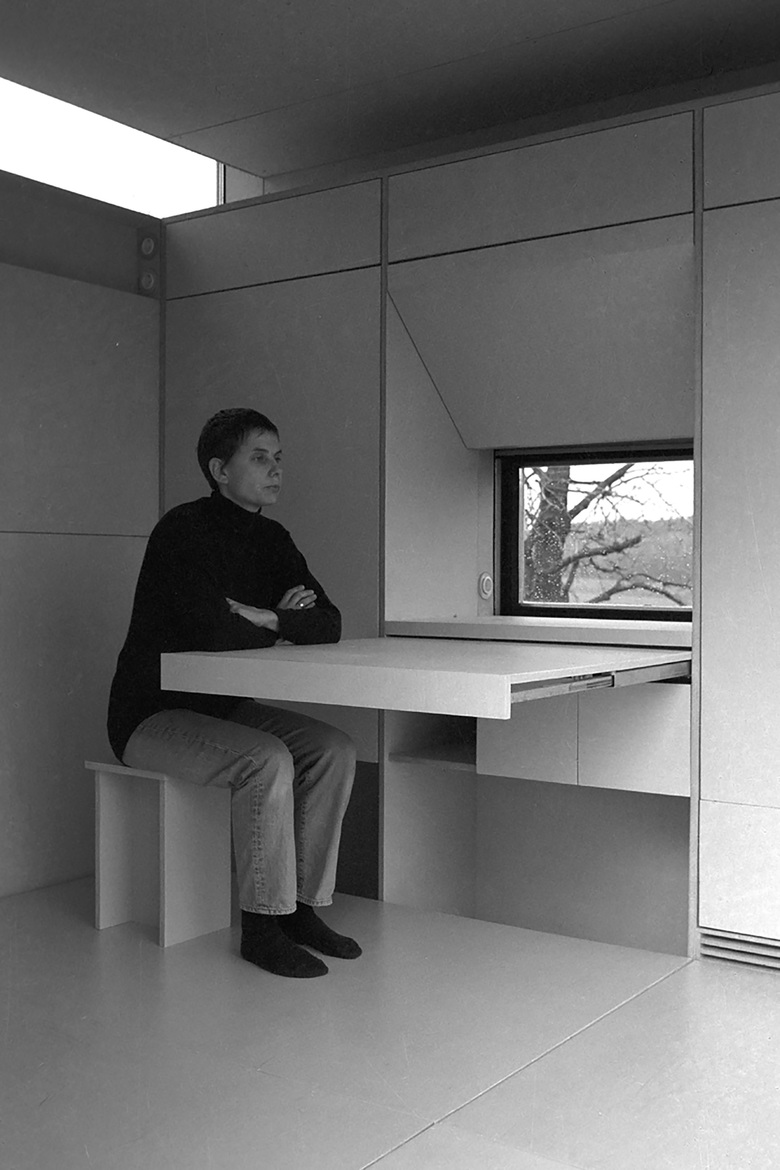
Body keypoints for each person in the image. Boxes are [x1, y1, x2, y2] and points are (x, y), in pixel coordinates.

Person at [107, 407, 361, 979]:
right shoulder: (181, 531)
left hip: (223, 711)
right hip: (150, 716)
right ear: (220, 470)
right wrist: (280, 621)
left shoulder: (272, 538)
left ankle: (301, 909)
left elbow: (329, 621)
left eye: (279, 458)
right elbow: (210, 632)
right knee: (266, 760)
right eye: (259, 458)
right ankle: (262, 928)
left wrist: (265, 616)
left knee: (334, 749)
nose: (276, 470)